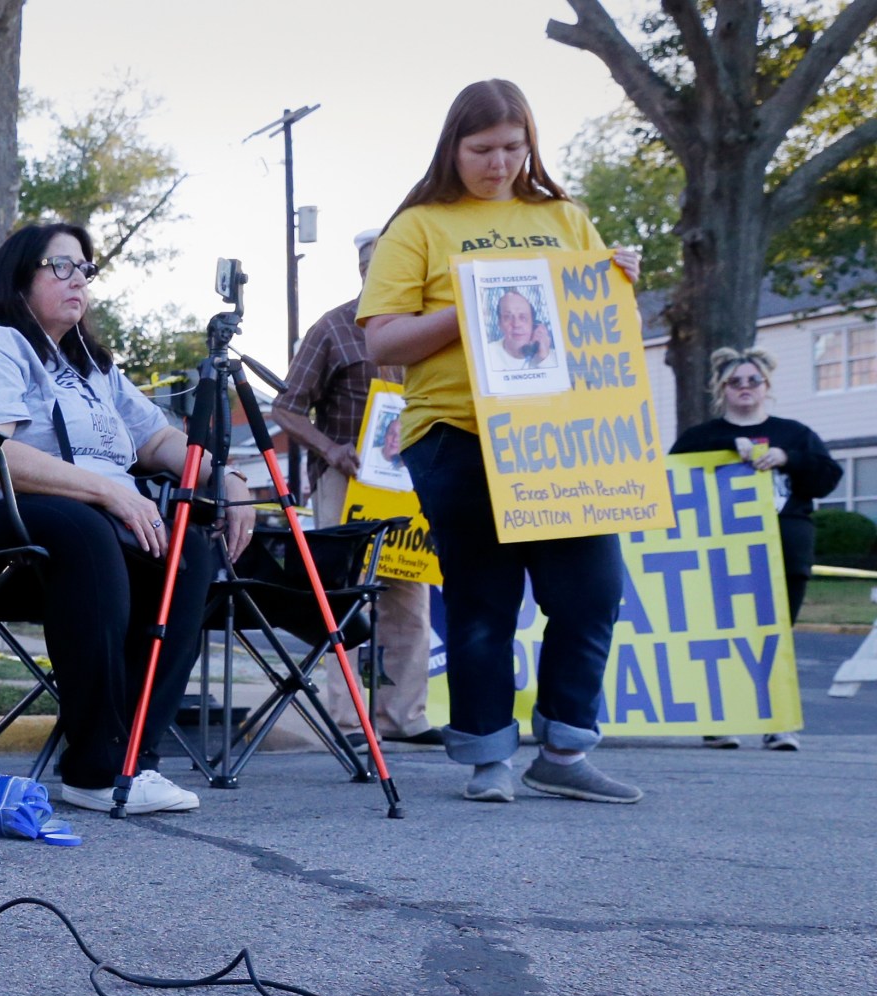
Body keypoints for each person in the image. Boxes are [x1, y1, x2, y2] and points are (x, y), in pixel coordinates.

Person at [0, 222, 256, 816]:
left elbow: (157, 440)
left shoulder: (94, 369)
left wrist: (225, 478)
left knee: (189, 550)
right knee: (81, 522)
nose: (78, 279)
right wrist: (106, 491)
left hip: (45, 546)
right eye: (61, 266)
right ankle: (97, 767)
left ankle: (132, 761)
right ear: (18, 277)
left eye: (85, 269)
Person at [361, 79, 645, 805]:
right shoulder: (418, 226)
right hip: (455, 431)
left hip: (561, 434)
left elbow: (589, 322)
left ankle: (564, 747)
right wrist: (473, 308)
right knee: (484, 600)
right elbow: (382, 341)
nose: (498, 163)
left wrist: (613, 286)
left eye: (513, 147)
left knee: (591, 594)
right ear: (452, 147)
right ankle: (490, 758)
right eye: (481, 149)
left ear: (531, 144)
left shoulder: (564, 216)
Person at [266, 226, 440, 747]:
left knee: (410, 594)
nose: (380, 272)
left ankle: (404, 718)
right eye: (372, 264)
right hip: (347, 478)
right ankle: (347, 721)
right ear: (361, 269)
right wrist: (333, 450)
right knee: (344, 596)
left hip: (413, 480)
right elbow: (285, 408)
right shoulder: (334, 328)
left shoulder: (428, 325)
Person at [671, 346, 839, 751]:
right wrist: (725, 456)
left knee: (778, 636)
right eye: (735, 382)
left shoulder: (795, 434)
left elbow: (828, 478)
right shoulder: (700, 439)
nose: (745, 387)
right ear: (721, 389)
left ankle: (779, 724)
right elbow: (671, 486)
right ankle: (721, 720)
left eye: (753, 380)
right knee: (723, 635)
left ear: (767, 387)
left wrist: (788, 458)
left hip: (786, 549)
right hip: (721, 553)